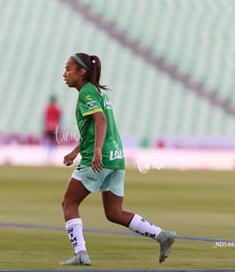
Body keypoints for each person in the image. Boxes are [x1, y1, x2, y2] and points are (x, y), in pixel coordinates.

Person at [60, 53, 176, 265]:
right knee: (114, 212)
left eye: (68, 69)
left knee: (69, 202)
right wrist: (76, 150)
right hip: (116, 157)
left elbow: (101, 121)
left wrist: (95, 151)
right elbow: (94, 126)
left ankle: (80, 253)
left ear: (82, 72)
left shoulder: (86, 92)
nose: (64, 74)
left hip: (100, 157)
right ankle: (161, 235)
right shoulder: (98, 93)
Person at [43, 95, 61, 163]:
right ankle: (51, 158)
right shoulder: (57, 109)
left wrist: (44, 127)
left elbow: (45, 118)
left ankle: (48, 158)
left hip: (48, 127)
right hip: (54, 127)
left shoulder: (47, 108)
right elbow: (59, 119)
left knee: (48, 142)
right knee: (53, 143)